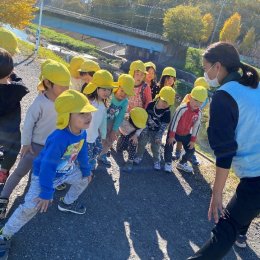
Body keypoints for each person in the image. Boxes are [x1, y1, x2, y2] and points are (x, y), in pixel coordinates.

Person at [0, 89, 97, 257]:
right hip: (44, 176)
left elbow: (81, 152)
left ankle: (66, 203)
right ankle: (4, 235)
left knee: (84, 178)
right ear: (67, 115)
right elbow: (47, 166)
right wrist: (46, 192)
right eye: (82, 113)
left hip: (65, 172)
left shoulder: (82, 132)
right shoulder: (59, 138)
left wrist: (86, 170)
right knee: (30, 207)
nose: (88, 116)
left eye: (88, 111)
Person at [188, 42, 260, 259]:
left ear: (217, 66)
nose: (205, 73)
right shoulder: (253, 86)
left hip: (256, 177)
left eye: (205, 67)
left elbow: (225, 152)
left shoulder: (224, 96)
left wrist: (216, 193)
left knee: (226, 227)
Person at [0, 60, 70, 218]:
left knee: (40, 175)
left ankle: (32, 199)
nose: (66, 89)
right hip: (35, 147)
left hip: (52, 148)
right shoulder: (40, 103)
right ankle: (3, 199)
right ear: (47, 83)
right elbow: (28, 125)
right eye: (62, 86)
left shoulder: (65, 101)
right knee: (19, 173)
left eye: (68, 86)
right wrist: (25, 143)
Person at [0, 48, 29, 183]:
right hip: (11, 133)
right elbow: (24, 86)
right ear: (10, 70)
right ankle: (3, 172)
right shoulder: (16, 89)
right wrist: (14, 76)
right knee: (13, 148)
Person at [164, 86, 207, 173]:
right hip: (175, 132)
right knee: (169, 145)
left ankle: (182, 163)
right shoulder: (182, 108)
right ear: (190, 97)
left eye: (200, 102)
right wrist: (171, 136)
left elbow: (196, 126)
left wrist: (193, 140)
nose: (197, 104)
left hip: (186, 134)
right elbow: (174, 121)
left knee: (191, 150)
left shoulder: (199, 113)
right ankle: (168, 162)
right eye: (195, 100)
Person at [134, 86, 175, 171]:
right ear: (159, 97)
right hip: (147, 128)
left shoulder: (167, 112)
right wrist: (143, 129)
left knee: (156, 147)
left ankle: (157, 160)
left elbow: (164, 126)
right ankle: (139, 156)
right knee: (141, 142)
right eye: (164, 101)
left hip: (157, 132)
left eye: (168, 103)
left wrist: (159, 136)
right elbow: (145, 117)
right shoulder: (150, 105)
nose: (165, 104)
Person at [99, 74, 135, 166]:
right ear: (118, 87)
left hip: (112, 122)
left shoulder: (125, 102)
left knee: (110, 139)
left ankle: (103, 154)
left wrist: (114, 130)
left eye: (126, 93)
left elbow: (120, 117)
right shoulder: (109, 95)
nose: (123, 94)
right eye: (122, 90)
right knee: (100, 137)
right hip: (101, 120)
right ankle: (96, 152)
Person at [83, 70, 116, 170]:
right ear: (96, 88)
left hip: (95, 135)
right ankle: (84, 172)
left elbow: (103, 121)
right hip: (86, 136)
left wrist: (103, 134)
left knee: (96, 151)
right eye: (104, 89)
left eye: (109, 90)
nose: (107, 92)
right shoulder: (89, 102)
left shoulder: (102, 104)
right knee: (85, 156)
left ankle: (91, 167)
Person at [174, 77, 210, 166]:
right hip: (185, 121)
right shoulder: (189, 96)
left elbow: (204, 110)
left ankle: (191, 155)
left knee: (192, 140)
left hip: (194, 122)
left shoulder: (206, 99)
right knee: (180, 137)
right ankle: (177, 151)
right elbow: (183, 105)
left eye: (204, 89)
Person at [116, 107, 148, 172]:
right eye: (136, 125)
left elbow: (140, 128)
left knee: (133, 143)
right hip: (123, 132)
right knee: (121, 145)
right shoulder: (123, 119)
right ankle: (120, 147)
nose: (138, 126)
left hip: (133, 133)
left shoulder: (141, 122)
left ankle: (130, 160)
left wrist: (136, 135)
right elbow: (116, 126)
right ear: (130, 118)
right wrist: (117, 132)